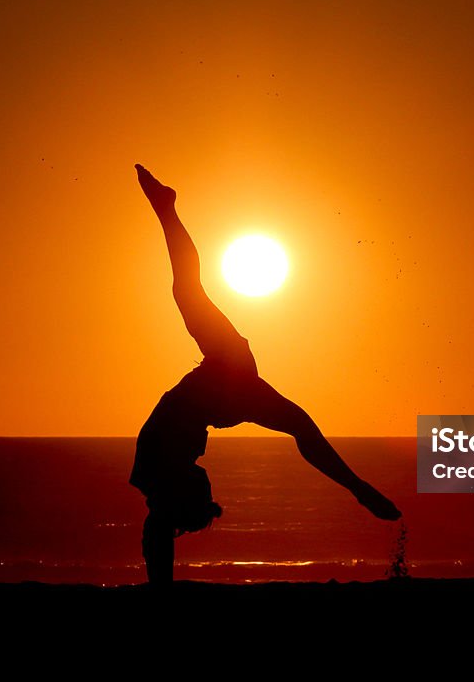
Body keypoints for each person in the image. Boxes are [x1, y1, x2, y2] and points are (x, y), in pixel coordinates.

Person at [130, 164, 402, 583]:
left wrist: (356, 486)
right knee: (186, 291)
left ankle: (166, 208)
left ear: (185, 492)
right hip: (230, 379)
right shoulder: (165, 471)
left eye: (203, 491)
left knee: (186, 290)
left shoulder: (154, 467)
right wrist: (356, 487)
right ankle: (166, 208)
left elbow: (158, 530)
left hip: (224, 372)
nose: (208, 481)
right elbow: (305, 434)